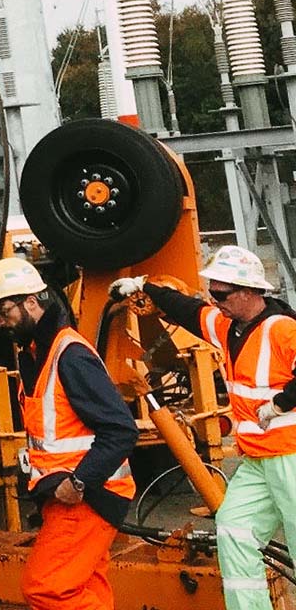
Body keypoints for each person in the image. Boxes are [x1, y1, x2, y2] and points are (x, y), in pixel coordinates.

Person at [111, 244, 296, 610]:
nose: (216, 300)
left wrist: (279, 404)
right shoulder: (229, 327)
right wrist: (143, 285)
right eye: (214, 292)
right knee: (233, 528)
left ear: (249, 291)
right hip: (259, 460)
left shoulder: (283, 329)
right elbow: (189, 311)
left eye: (222, 294)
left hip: (290, 456)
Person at [0, 257, 138, 610]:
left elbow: (121, 428)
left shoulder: (69, 355)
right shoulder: (40, 353)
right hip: (69, 494)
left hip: (85, 496)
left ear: (32, 302)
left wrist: (79, 483)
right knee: (86, 588)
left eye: (3, 310)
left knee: (47, 588)